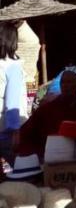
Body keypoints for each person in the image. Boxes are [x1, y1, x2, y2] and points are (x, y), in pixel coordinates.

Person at [17, 67, 76, 161]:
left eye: (70, 82)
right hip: (53, 167)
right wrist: (39, 156)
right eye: (63, 82)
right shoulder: (46, 110)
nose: (65, 85)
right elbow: (25, 135)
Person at [0, 23, 28, 164]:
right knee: (21, 169)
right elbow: (12, 103)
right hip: (6, 131)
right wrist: (16, 130)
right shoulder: (12, 66)